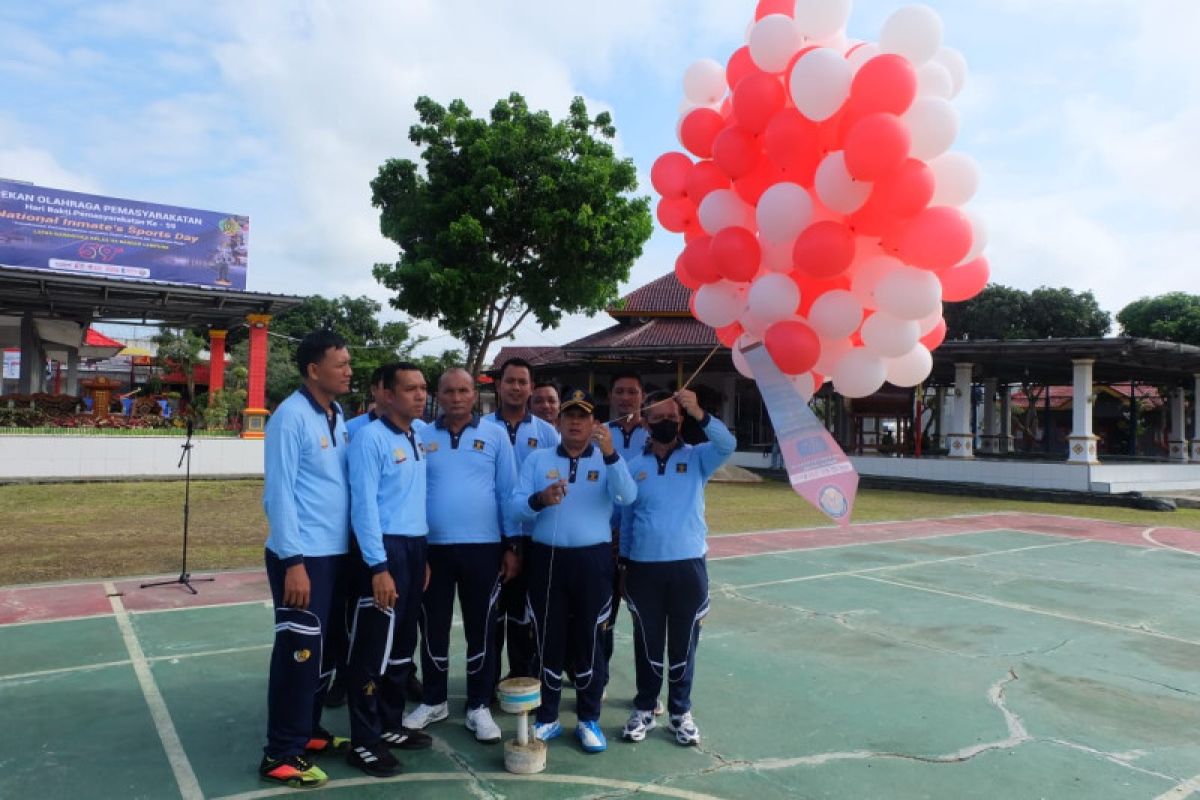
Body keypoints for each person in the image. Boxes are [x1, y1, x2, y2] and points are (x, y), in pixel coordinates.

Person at [510, 389, 636, 753]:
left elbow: (628, 497)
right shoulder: (538, 459)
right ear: (559, 422)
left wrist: (612, 454)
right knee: (549, 637)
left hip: (593, 561)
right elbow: (516, 507)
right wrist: (540, 499)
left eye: (583, 416)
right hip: (548, 559)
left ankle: (588, 718)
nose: (576, 422)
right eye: (569, 416)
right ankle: (548, 716)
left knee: (589, 639)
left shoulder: (608, 458)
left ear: (594, 422)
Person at [258, 329, 353, 788]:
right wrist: (293, 558)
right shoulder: (289, 417)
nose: (349, 371)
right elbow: (278, 493)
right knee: (298, 653)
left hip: (335, 555)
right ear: (314, 370)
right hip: (302, 557)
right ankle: (280, 752)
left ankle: (308, 730)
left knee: (325, 653)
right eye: (341, 363)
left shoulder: (338, 415)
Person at [403, 368, 518, 744]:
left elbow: (508, 493)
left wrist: (511, 545)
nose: (456, 397)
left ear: (475, 395)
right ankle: (434, 700)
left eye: (463, 390)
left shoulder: (496, 434)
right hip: (432, 549)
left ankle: (479, 705)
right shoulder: (420, 434)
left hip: (483, 548)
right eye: (449, 391)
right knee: (432, 626)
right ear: (438, 395)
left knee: (481, 628)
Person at [619, 388, 736, 747]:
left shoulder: (699, 458)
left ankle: (680, 712)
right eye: (659, 418)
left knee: (684, 644)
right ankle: (644, 706)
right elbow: (625, 518)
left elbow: (727, 444)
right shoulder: (633, 466)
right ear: (645, 423)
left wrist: (699, 411)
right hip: (643, 567)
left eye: (673, 417)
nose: (667, 423)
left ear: (681, 420)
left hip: (688, 566)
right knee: (648, 642)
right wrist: (623, 562)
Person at [344, 362, 434, 776]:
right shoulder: (369, 439)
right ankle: (363, 740)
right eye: (411, 389)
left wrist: (424, 555)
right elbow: (364, 507)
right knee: (373, 651)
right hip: (384, 552)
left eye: (423, 388)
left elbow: (410, 501)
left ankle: (389, 722)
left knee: (401, 645)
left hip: (414, 548)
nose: (420, 395)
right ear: (387, 394)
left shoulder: (415, 436)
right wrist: (378, 566)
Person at [490, 358, 559, 684]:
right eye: (510, 381)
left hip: (535, 535)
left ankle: (522, 674)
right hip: (493, 534)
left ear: (531, 388)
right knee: (493, 611)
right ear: (498, 385)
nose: (516, 387)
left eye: (522, 382)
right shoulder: (484, 428)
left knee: (526, 612)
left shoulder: (546, 433)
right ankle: (486, 681)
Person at [602, 372, 650, 677]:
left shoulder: (654, 434)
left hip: (643, 541)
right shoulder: (600, 434)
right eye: (619, 391)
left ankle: (647, 689)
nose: (625, 397)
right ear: (611, 397)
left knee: (645, 619)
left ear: (642, 396)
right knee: (604, 616)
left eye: (632, 391)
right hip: (605, 539)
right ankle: (599, 677)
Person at [344, 366, 386, 440]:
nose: (394, 392)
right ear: (373, 390)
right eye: (387, 387)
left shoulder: (411, 426)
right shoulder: (350, 428)